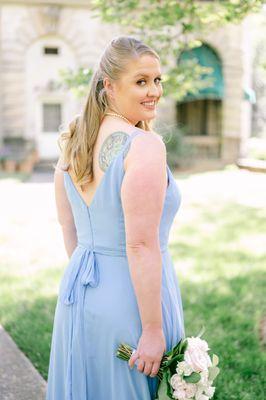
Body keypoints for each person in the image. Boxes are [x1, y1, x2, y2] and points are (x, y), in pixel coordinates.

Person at [46, 35, 185, 400]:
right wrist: (153, 329)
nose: (154, 90)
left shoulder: (75, 139)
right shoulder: (145, 146)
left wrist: (95, 287)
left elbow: (68, 226)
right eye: (141, 81)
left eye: (157, 80)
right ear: (109, 85)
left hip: (80, 293)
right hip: (133, 302)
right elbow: (140, 244)